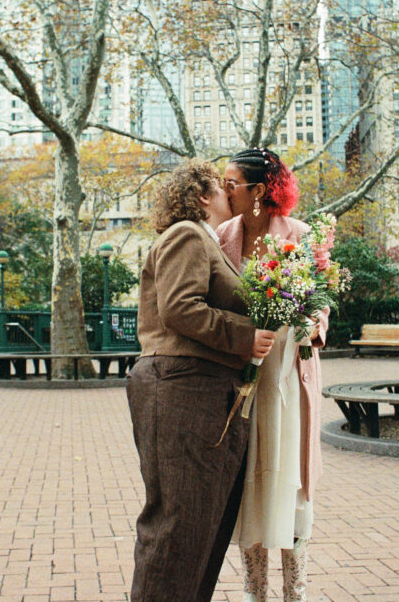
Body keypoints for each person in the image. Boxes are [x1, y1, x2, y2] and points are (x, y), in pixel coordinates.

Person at [126, 159, 277, 602]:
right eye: (221, 186)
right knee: (177, 527)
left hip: (205, 394)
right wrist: (246, 337)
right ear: (201, 197)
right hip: (180, 388)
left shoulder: (210, 243)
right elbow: (180, 308)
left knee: (201, 528)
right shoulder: (186, 234)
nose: (230, 192)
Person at [216, 148, 329, 602]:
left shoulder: (300, 236)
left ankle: (295, 594)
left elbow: (320, 300)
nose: (224, 190)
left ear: (259, 190)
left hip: (289, 375)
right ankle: (254, 593)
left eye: (231, 183)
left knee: (293, 485)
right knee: (250, 485)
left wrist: (309, 330)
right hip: (244, 376)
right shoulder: (220, 236)